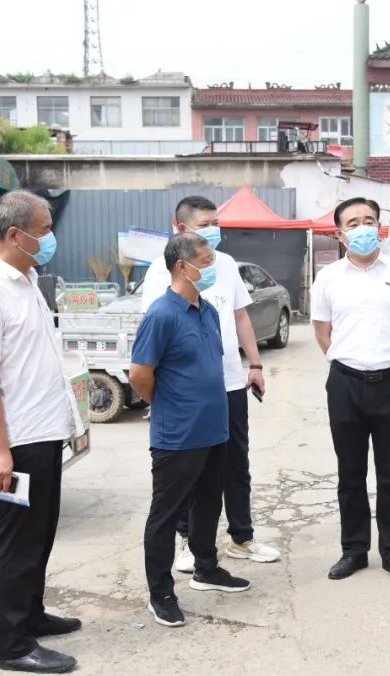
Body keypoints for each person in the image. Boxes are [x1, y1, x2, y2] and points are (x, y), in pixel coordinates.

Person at [0, 190, 86, 673]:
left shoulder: (26, 278)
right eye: (45, 228)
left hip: (44, 432)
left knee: (39, 533)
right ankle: (12, 646)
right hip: (16, 439)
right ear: (15, 234)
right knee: (12, 542)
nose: (51, 236)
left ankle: (30, 614)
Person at [141, 196, 279, 573]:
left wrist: (255, 363)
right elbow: (155, 338)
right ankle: (188, 542)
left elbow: (240, 316)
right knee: (192, 472)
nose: (214, 230)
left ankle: (241, 537)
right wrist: (160, 397)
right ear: (181, 227)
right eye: (205, 224)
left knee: (236, 464)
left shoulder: (227, 264)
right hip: (187, 394)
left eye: (216, 222)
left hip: (230, 384)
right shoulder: (160, 271)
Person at [130, 232, 251, 628]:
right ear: (182, 266)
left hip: (214, 430)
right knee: (166, 516)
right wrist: (166, 406)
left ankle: (206, 568)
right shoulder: (161, 315)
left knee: (207, 505)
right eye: (206, 258)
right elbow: (140, 375)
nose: (213, 265)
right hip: (178, 435)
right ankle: (160, 592)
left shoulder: (208, 311)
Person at [311, 197, 390, 584]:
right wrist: (349, 362)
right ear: (340, 233)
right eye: (354, 222)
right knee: (350, 473)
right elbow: (322, 332)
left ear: (380, 226)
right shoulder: (328, 277)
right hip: (346, 383)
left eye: (370, 220)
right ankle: (354, 551)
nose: (363, 227)